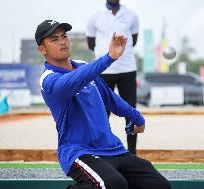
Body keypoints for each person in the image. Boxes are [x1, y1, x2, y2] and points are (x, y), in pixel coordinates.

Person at [36, 20, 171, 189]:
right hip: (79, 152)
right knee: (113, 185)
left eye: (64, 36)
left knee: (159, 186)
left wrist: (136, 118)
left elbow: (109, 97)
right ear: (42, 49)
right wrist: (109, 58)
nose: (62, 41)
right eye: (54, 39)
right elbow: (73, 81)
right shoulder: (48, 80)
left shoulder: (83, 67)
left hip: (113, 149)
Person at [86, 0, 139, 155]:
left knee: (131, 112)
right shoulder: (94, 16)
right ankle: (102, 151)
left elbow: (133, 41)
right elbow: (91, 44)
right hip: (104, 70)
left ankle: (132, 152)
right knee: (102, 113)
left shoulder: (131, 15)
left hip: (127, 69)